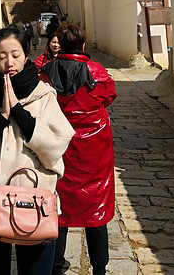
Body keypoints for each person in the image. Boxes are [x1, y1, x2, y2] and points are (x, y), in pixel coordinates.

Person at [0, 25, 74, 275]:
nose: (9, 62)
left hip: (35, 202)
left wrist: (19, 112)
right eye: (1, 56)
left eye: (16, 55)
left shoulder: (43, 96)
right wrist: (2, 118)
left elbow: (56, 146)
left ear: (26, 55)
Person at [40, 23, 117, 275]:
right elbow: (109, 95)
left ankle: (55, 264)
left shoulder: (46, 72)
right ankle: (99, 268)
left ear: (59, 44)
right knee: (96, 205)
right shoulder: (97, 72)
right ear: (83, 45)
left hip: (59, 148)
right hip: (94, 150)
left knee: (58, 207)